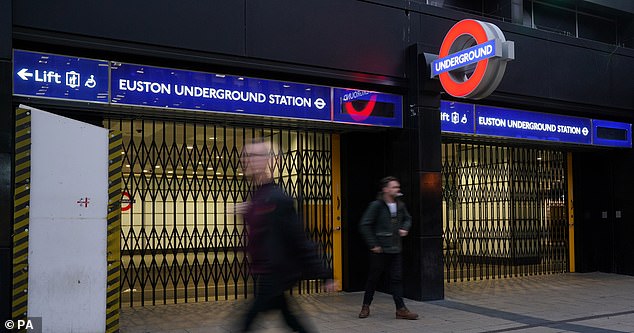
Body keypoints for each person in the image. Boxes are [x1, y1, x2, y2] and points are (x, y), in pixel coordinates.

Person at [239, 139, 333, 333]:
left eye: (255, 156)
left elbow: (299, 238)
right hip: (264, 270)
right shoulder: (258, 195)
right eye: (246, 155)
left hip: (274, 271)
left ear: (268, 160)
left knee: (247, 320)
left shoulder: (277, 197)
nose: (248, 160)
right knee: (289, 318)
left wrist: (324, 275)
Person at [358, 176, 419, 320]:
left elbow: (408, 218)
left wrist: (405, 228)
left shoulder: (400, 205)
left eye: (397, 187)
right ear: (385, 189)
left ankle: (401, 310)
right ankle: (365, 306)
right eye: (393, 187)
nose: (397, 189)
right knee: (373, 279)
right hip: (380, 250)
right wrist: (373, 244)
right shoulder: (376, 205)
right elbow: (364, 224)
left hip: (395, 249)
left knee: (396, 279)